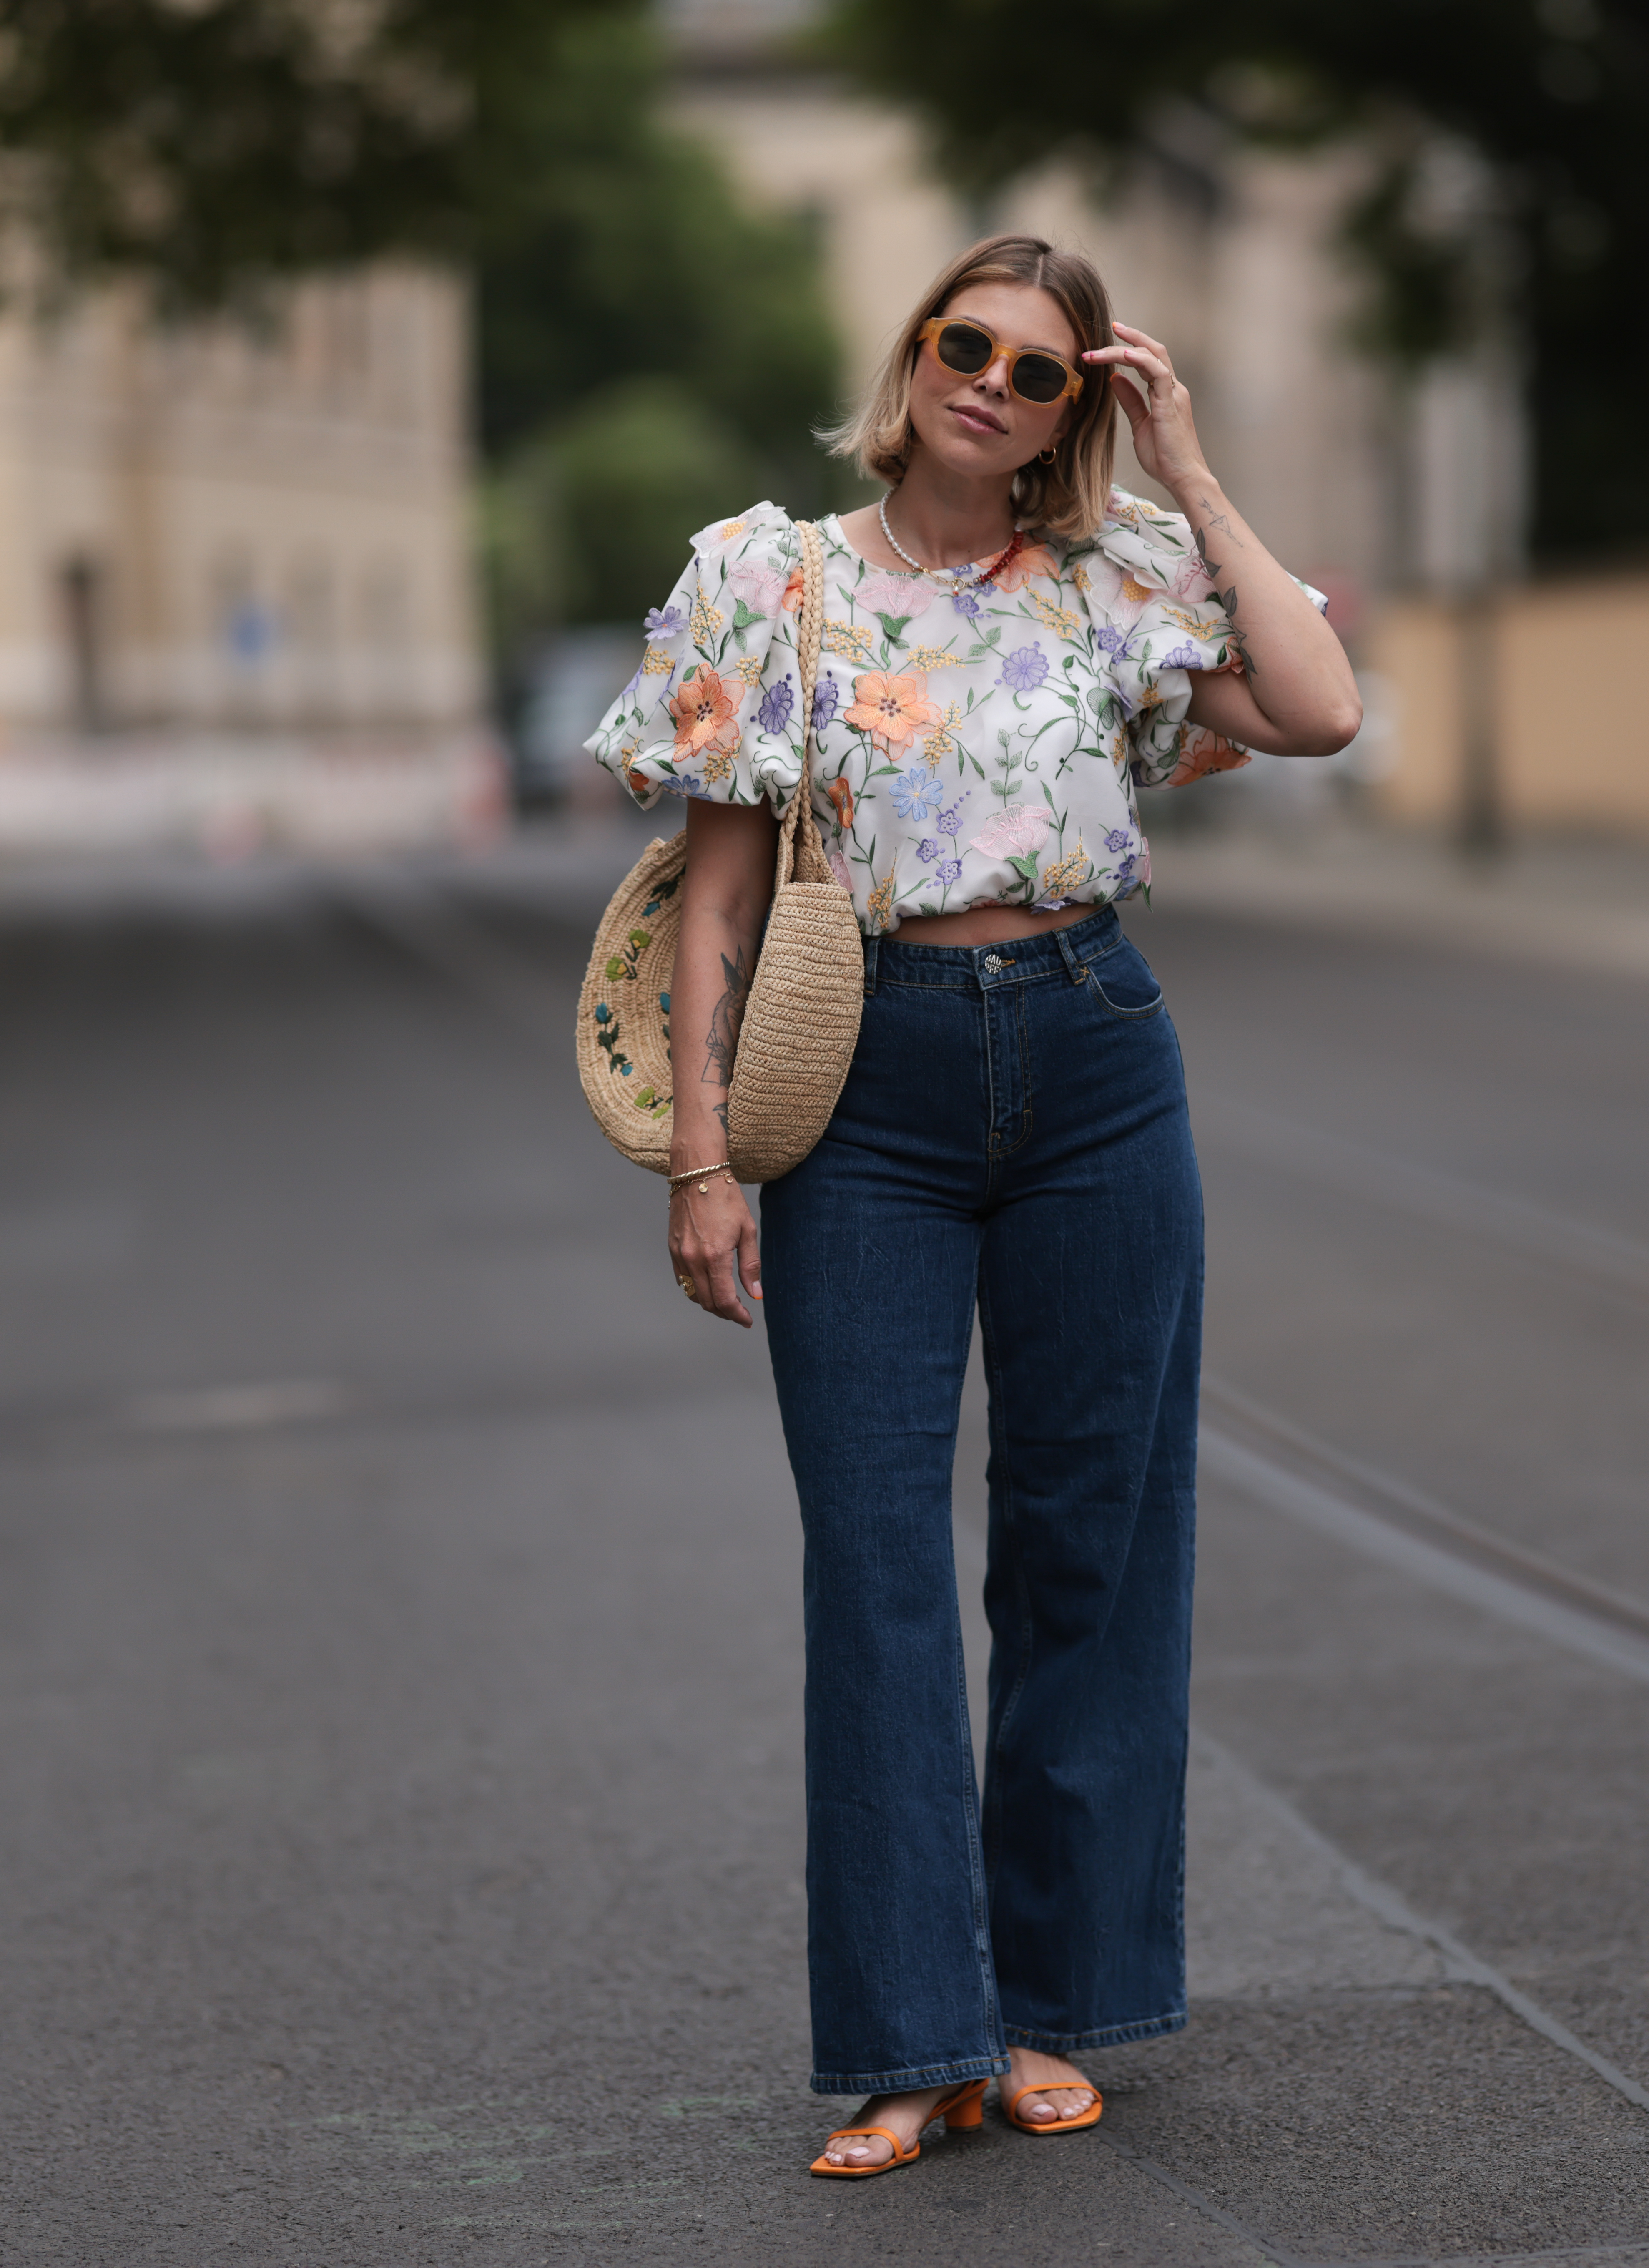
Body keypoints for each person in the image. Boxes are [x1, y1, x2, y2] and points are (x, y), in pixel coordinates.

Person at [586, 234, 1362, 2179]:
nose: (992, 389)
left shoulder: (1118, 585)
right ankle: (909, 2042)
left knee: (1091, 1544)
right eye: (968, 347)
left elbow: (1321, 705)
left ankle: (1043, 2011)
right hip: (867, 1081)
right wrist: (699, 1152)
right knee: (874, 1556)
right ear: (912, 354)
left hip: (1099, 1062)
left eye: (1042, 374)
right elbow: (719, 888)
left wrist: (1185, 466)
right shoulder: (773, 576)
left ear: (1071, 412)